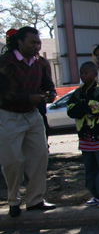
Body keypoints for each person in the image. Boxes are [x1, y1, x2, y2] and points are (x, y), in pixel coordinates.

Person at [0, 26, 57, 217]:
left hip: (33, 115)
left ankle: (35, 200)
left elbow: (47, 84)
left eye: (38, 43)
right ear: (20, 42)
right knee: (13, 161)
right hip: (9, 116)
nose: (37, 46)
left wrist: (51, 94)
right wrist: (28, 98)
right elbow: (3, 96)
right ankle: (14, 200)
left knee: (40, 157)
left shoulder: (40, 63)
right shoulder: (6, 63)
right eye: (32, 42)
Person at [66, 62, 99, 207]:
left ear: (95, 74)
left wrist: (83, 107)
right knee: (90, 168)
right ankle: (95, 194)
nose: (83, 76)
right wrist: (86, 106)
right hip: (85, 137)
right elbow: (71, 110)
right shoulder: (77, 92)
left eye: (86, 73)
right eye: (81, 73)